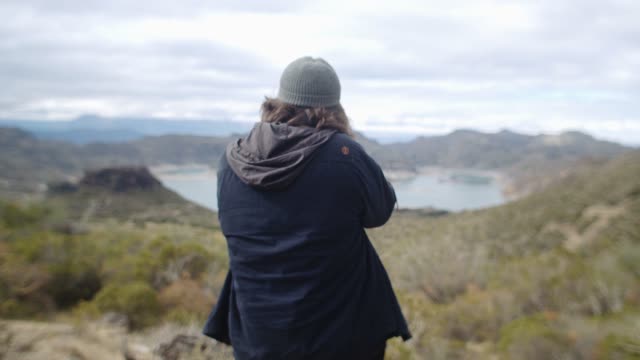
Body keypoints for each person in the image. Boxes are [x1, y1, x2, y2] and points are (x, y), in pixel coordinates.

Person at [203, 56, 411, 359]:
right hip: (340, 335)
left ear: (277, 102)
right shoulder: (345, 155)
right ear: (334, 109)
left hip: (257, 333)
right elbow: (379, 212)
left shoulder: (232, 159)